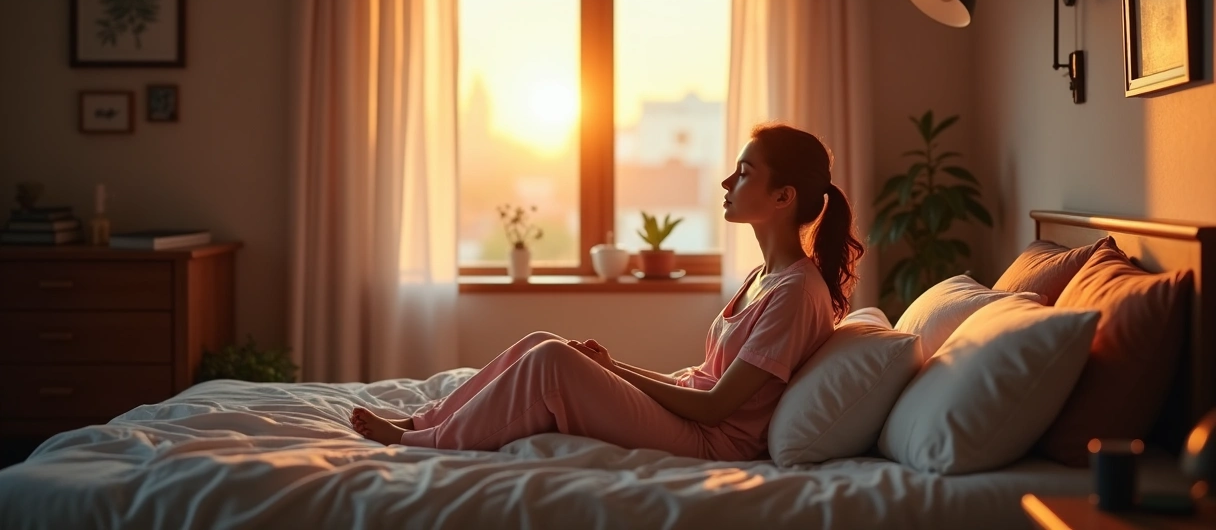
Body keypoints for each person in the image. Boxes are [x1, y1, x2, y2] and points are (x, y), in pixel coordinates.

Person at [350, 122, 864, 461]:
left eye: (745, 172)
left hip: (714, 442)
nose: (727, 181)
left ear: (783, 196)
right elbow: (703, 385)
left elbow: (714, 409)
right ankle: (421, 420)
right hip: (695, 415)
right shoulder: (763, 276)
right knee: (543, 342)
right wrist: (612, 366)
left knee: (551, 360)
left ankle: (426, 443)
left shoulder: (796, 292)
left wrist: (614, 371)